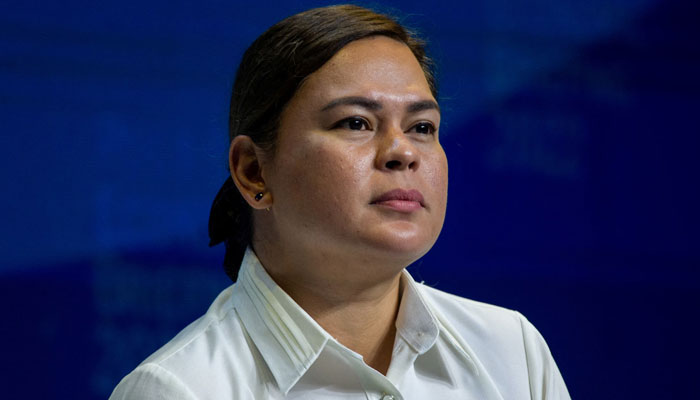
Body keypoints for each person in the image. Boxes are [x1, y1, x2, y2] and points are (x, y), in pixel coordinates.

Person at [110, 5, 570, 399]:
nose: (403, 151)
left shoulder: (512, 352)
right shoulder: (181, 388)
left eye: (422, 127)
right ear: (253, 171)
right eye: (355, 123)